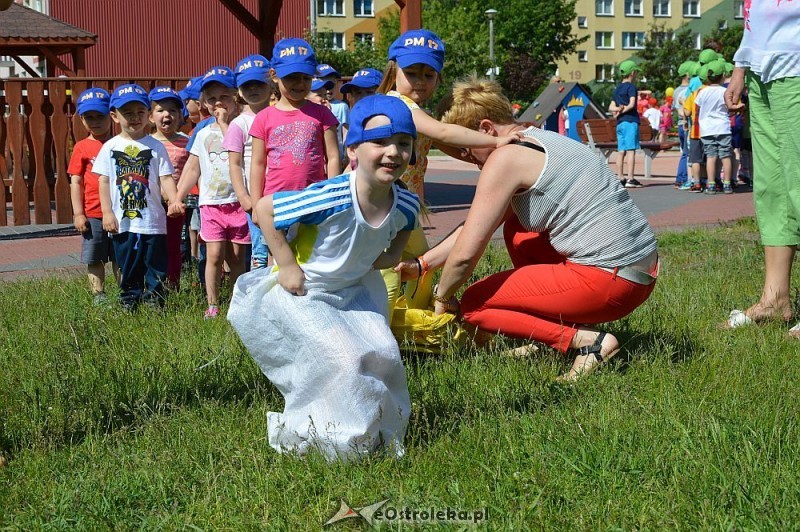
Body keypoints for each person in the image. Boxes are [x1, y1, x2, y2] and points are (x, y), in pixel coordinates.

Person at [398, 79, 659, 381]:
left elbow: (466, 254)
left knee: (474, 304)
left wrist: (443, 299)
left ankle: (590, 343)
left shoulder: (505, 158)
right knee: (518, 229)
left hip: (609, 281)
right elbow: (476, 226)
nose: (470, 160)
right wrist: (422, 265)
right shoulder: (541, 139)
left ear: (485, 130)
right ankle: (550, 334)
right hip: (638, 274)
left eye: (467, 150)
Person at [227, 95, 420, 460]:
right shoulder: (332, 196)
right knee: (343, 359)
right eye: (380, 142)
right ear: (354, 150)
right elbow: (266, 211)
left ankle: (378, 431)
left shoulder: (405, 203)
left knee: (384, 354)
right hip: (306, 290)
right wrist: (286, 265)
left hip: (356, 290)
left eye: (404, 144)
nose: (393, 152)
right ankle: (324, 438)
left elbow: (400, 237)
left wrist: (386, 257)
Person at [376, 29, 521, 313]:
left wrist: (484, 160)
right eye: (412, 73)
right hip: (383, 207)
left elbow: (446, 142)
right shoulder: (397, 104)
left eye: (429, 75)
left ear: (438, 79)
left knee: (421, 264)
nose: (420, 81)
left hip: (404, 207)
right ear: (394, 72)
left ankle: (417, 318)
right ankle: (382, 326)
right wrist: (496, 141)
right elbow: (443, 131)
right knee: (388, 272)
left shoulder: (418, 112)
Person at [723, 1, 800, 333]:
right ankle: (775, 298)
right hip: (762, 73)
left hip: (796, 69)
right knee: (772, 189)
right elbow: (756, 20)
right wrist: (741, 67)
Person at [94, 84, 183, 310]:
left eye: (140, 112)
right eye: (128, 113)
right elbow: (103, 181)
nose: (134, 118)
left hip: (153, 221)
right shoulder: (109, 147)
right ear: (115, 116)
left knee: (156, 264)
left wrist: (173, 201)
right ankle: (129, 300)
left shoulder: (155, 147)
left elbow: (165, 178)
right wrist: (106, 213)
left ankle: (155, 301)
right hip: (123, 222)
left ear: (149, 115)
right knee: (128, 264)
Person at [176, 66, 250, 319]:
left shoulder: (242, 126)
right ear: (203, 103)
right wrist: (178, 196)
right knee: (214, 254)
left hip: (239, 203)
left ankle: (238, 302)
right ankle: (213, 304)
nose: (218, 103)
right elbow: (192, 167)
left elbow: (236, 147)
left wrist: (223, 123)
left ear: (236, 97)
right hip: (211, 204)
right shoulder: (203, 133)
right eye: (211, 98)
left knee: (238, 258)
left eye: (224, 97)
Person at [247, 38, 340, 221]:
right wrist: (257, 204)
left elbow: (334, 157)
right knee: (276, 250)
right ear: (274, 75)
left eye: (306, 78)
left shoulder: (322, 114)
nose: (300, 84)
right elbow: (258, 163)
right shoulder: (263, 118)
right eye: (292, 77)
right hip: (274, 203)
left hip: (315, 200)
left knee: (313, 249)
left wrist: (332, 196)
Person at [68, 88, 117, 305]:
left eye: (100, 116)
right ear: (81, 119)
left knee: (120, 257)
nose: (95, 121)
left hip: (119, 212)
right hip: (93, 214)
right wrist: (79, 213)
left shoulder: (119, 144)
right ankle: (99, 296)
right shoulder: (82, 147)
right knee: (94, 257)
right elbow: (75, 181)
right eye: (89, 117)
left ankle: (126, 293)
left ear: (112, 115)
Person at [224, 54, 273, 270]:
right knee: (261, 248)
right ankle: (258, 294)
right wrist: (244, 196)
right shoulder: (238, 124)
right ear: (239, 91)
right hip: (255, 198)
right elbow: (235, 164)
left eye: (259, 84)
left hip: (280, 191)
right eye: (247, 85)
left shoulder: (278, 115)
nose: (253, 89)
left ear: (271, 84)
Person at [148, 86, 190, 288]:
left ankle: (173, 284)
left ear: (181, 115)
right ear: (150, 117)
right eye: (160, 110)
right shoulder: (147, 143)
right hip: (151, 204)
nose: (167, 115)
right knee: (153, 245)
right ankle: (152, 283)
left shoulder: (187, 142)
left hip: (176, 205)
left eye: (173, 110)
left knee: (174, 245)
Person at [694, 61, 734, 195]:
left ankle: (711, 184)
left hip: (707, 129)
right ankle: (727, 184)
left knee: (710, 156)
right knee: (726, 155)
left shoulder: (702, 92)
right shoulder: (725, 91)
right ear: (723, 75)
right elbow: (730, 107)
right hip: (723, 127)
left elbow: (698, 108)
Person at [609, 60, 643, 188]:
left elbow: (611, 106)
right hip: (630, 121)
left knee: (621, 150)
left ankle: (620, 177)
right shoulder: (631, 87)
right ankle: (630, 178)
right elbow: (632, 104)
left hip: (620, 123)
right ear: (633, 73)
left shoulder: (617, 89)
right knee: (631, 150)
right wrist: (623, 109)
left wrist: (617, 110)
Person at [317, 63, 349, 167]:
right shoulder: (311, 106)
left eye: (332, 85)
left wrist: (346, 154)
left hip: (336, 159)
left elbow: (345, 131)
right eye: (325, 85)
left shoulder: (341, 106)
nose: (328, 89)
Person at [674, 61, 694, 190]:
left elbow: (675, 108)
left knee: (684, 153)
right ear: (688, 74)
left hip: (680, 124)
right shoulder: (688, 90)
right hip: (687, 123)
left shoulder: (676, 90)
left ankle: (680, 178)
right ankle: (685, 178)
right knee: (688, 153)